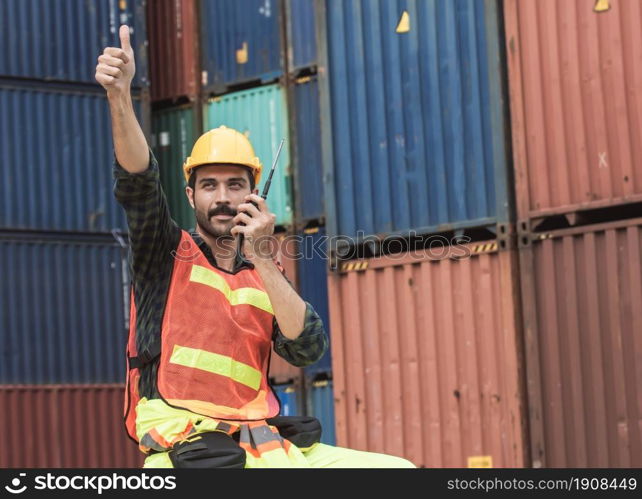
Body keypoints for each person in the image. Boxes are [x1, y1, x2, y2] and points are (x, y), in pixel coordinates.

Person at [96, 24, 415, 469]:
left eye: (234, 185)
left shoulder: (263, 272)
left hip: (260, 445)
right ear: (190, 196)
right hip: (183, 448)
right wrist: (119, 96)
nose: (222, 197)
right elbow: (138, 181)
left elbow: (306, 349)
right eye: (209, 185)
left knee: (394, 472)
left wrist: (264, 257)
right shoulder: (163, 251)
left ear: (254, 194)